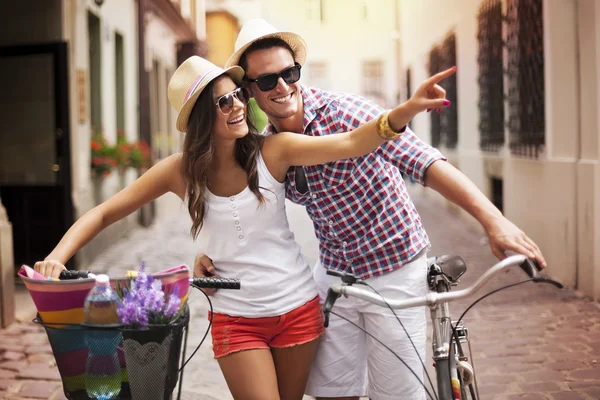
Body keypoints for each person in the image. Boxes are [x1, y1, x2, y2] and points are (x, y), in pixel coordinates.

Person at [34, 55, 455, 399]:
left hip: (297, 310)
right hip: (236, 318)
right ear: (201, 116)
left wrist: (403, 112)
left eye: (238, 95)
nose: (238, 105)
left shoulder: (273, 149)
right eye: (223, 102)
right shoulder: (178, 172)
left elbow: (351, 142)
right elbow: (106, 211)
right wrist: (57, 256)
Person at [192, 19, 547, 400]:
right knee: (331, 392)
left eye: (289, 73)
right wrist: (212, 255)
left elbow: (423, 161)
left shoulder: (344, 113)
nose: (281, 86)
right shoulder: (266, 147)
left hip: (394, 268)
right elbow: (241, 208)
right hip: (335, 276)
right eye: (266, 81)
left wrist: (494, 221)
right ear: (250, 91)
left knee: (394, 394)